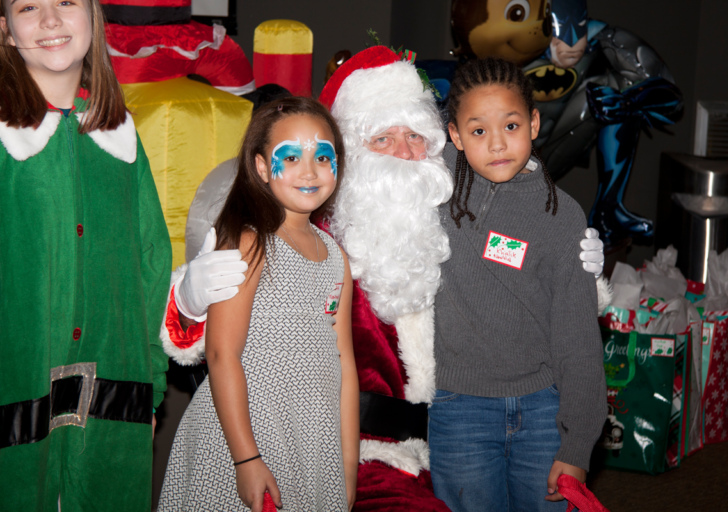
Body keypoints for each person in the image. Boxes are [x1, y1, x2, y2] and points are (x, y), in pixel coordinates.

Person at [161, 47, 609, 510]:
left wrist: (581, 267)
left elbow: (512, 185)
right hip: (343, 442)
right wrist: (189, 301)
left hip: (441, 442)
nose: (403, 152)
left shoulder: (443, 196)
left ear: (440, 143)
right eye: (382, 139)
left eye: (415, 136)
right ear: (353, 153)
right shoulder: (316, 225)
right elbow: (216, 337)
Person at [0, 0, 172, 509]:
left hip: (113, 400)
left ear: (94, 19)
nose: (51, 21)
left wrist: (153, 384)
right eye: (29, 6)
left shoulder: (120, 137)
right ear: (6, 32)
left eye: (67, 2)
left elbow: (150, 261)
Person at [157, 96, 359, 512]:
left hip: (310, 442)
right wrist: (246, 457)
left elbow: (344, 363)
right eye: (291, 157)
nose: (310, 170)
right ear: (263, 167)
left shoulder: (336, 257)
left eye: (323, 156)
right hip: (246, 437)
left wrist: (347, 464)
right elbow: (220, 352)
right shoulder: (250, 240)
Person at [428, 57, 606, 511]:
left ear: (533, 122)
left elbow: (579, 339)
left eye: (510, 125)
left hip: (545, 409)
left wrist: (577, 442)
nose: (497, 144)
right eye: (478, 131)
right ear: (454, 136)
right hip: (459, 407)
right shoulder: (431, 187)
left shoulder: (561, 216)